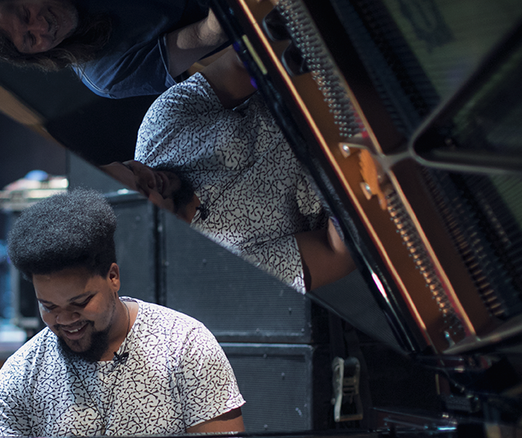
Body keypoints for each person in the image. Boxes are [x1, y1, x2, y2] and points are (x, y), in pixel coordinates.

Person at [0, 188, 245, 438]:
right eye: (49, 306)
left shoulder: (186, 347)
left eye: (80, 303)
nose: (64, 319)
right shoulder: (19, 378)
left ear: (113, 277)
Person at [102, 47, 356, 294]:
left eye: (130, 168)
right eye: (144, 190)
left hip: (321, 79)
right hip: (356, 170)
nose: (148, 174)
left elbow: (240, 65)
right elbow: (336, 252)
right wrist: (347, 156)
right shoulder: (222, 265)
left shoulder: (158, 128)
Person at [0, 0, 228, 99]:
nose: (42, 26)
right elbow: (209, 33)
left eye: (25, 14)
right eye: (30, 39)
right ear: (34, 56)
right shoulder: (106, 76)